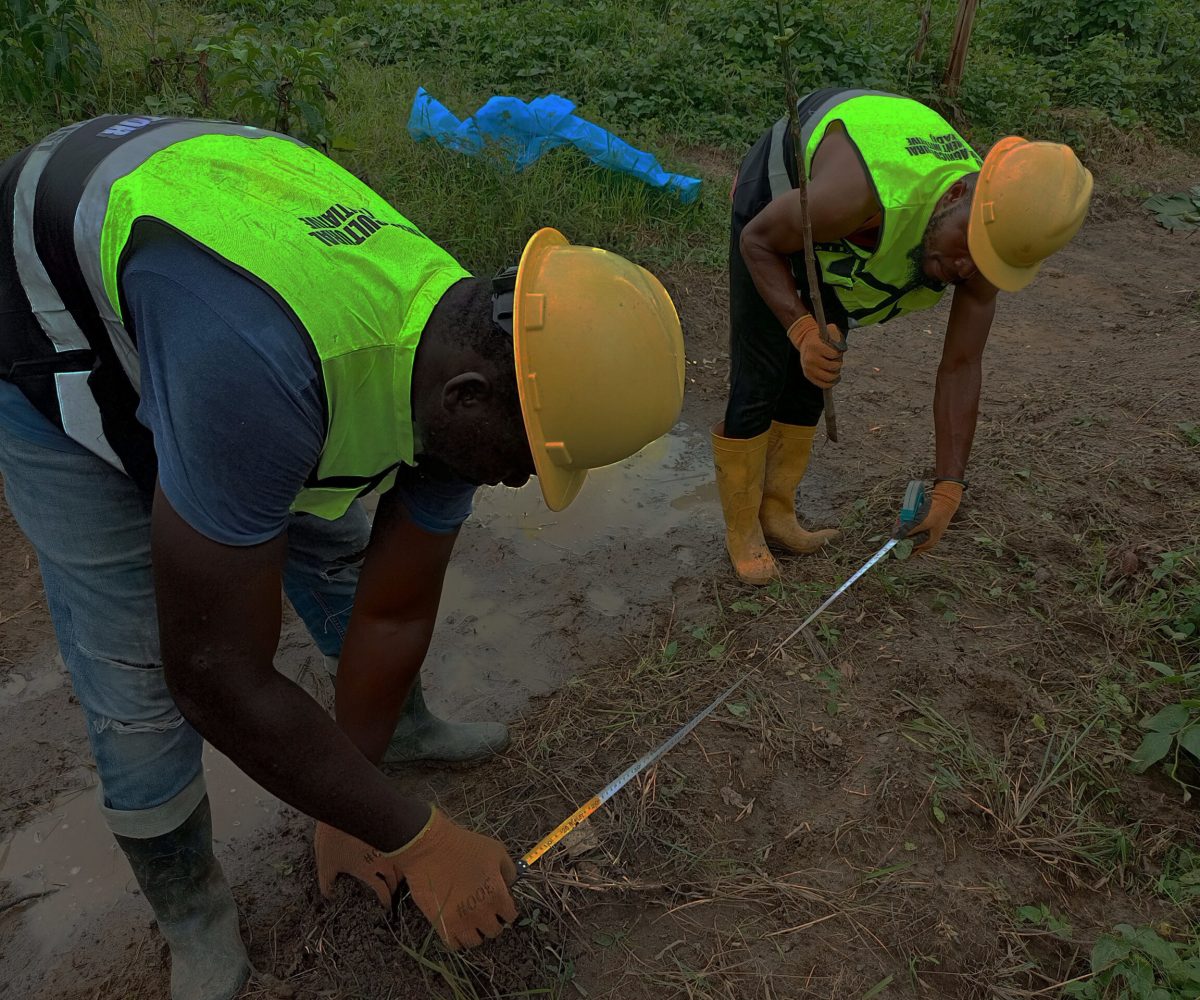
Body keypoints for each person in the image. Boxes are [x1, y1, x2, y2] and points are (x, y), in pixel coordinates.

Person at [0, 114, 685, 998]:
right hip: (48, 317)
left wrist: (352, 803)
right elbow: (212, 676)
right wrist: (420, 838)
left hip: (219, 292)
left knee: (333, 555)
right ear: (470, 400)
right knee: (135, 678)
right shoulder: (263, 375)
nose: (522, 483)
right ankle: (195, 919)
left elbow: (392, 605)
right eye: (530, 462)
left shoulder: (476, 347)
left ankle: (384, 741)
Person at [714, 87, 1093, 583]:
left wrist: (947, 490)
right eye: (967, 248)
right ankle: (743, 531)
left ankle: (778, 512)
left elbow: (961, 366)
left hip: (852, 221)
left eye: (984, 263)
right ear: (956, 194)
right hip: (780, 197)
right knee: (764, 369)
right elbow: (758, 241)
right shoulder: (852, 196)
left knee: (819, 368)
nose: (964, 269)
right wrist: (801, 327)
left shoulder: (995, 231)